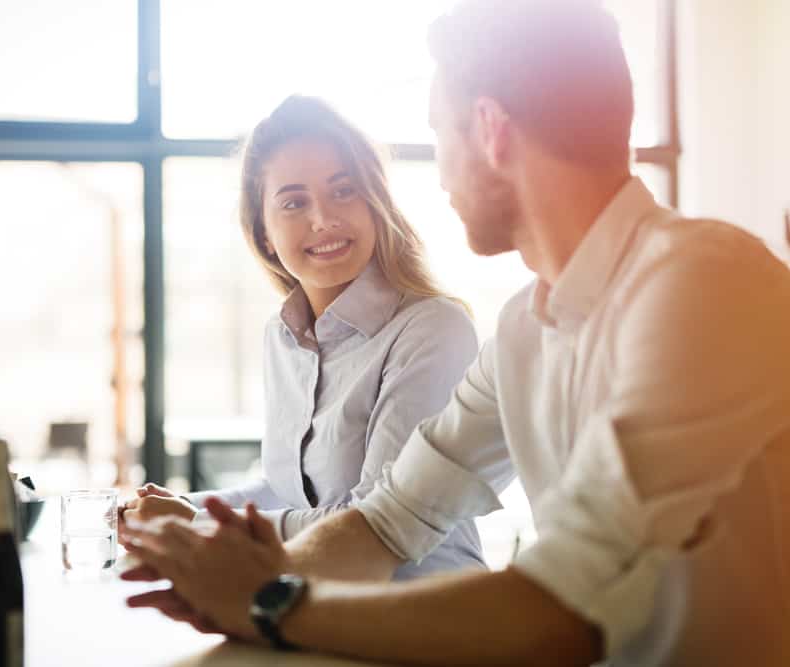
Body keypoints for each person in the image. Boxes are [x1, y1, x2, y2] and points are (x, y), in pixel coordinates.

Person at [119, 1, 790, 665]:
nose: (438, 175)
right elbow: (384, 520)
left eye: (440, 132)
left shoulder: (703, 284)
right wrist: (240, 576)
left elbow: (562, 611)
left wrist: (269, 600)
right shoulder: (525, 330)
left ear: (491, 130)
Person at [122, 95, 507, 578]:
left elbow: (366, 525)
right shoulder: (281, 336)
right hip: (315, 609)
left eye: (344, 191)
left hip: (421, 616)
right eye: (293, 202)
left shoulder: (433, 329)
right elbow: (288, 491)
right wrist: (179, 506)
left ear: (375, 204)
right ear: (263, 232)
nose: (323, 219)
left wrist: (193, 522)